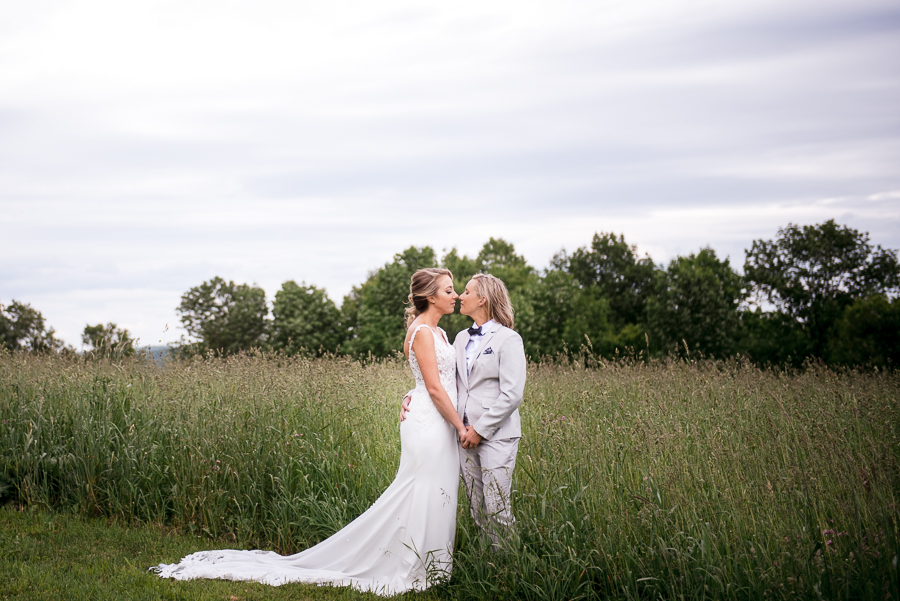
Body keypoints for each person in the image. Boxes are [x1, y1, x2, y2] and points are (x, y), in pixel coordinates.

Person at [153, 268, 466, 596]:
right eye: (448, 290)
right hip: (432, 424)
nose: (454, 295)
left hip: (436, 418)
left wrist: (413, 396)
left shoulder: (439, 333)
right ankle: (416, 565)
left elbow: (431, 381)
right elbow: (432, 385)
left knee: (434, 490)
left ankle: (431, 565)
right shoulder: (424, 333)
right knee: (422, 489)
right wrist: (460, 426)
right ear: (430, 296)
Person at [402, 273, 526, 550]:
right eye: (456, 291)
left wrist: (480, 430)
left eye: (466, 292)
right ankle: (487, 566)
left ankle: (509, 571)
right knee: (477, 511)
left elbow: (512, 394)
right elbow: (439, 379)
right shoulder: (458, 338)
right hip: (463, 436)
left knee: (498, 509)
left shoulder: (509, 339)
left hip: (495, 435)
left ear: (482, 299)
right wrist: (412, 395)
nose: (460, 296)